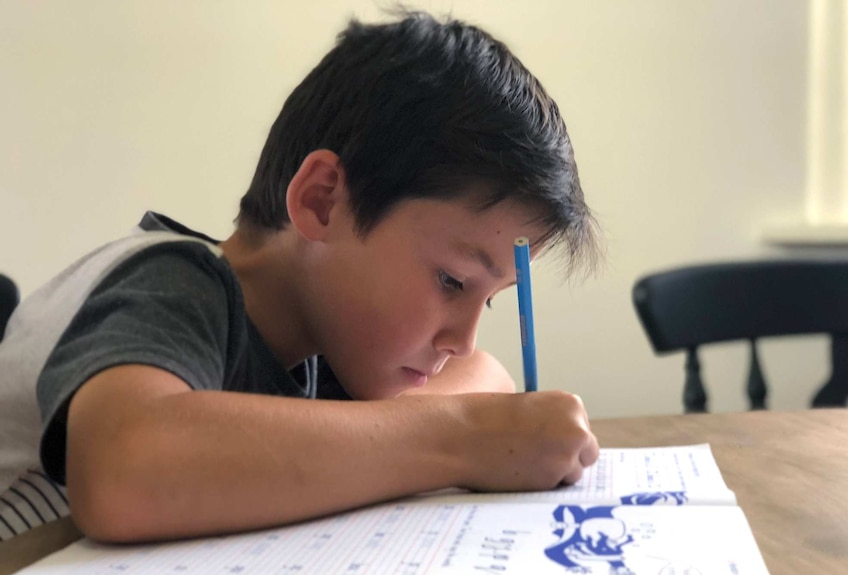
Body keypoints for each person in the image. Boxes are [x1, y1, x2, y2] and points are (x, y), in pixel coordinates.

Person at [0, 10, 601, 543]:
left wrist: (476, 428)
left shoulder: (328, 345)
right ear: (320, 202)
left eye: (491, 300)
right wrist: (461, 438)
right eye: (452, 281)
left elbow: (483, 374)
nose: (462, 338)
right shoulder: (172, 282)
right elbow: (121, 470)